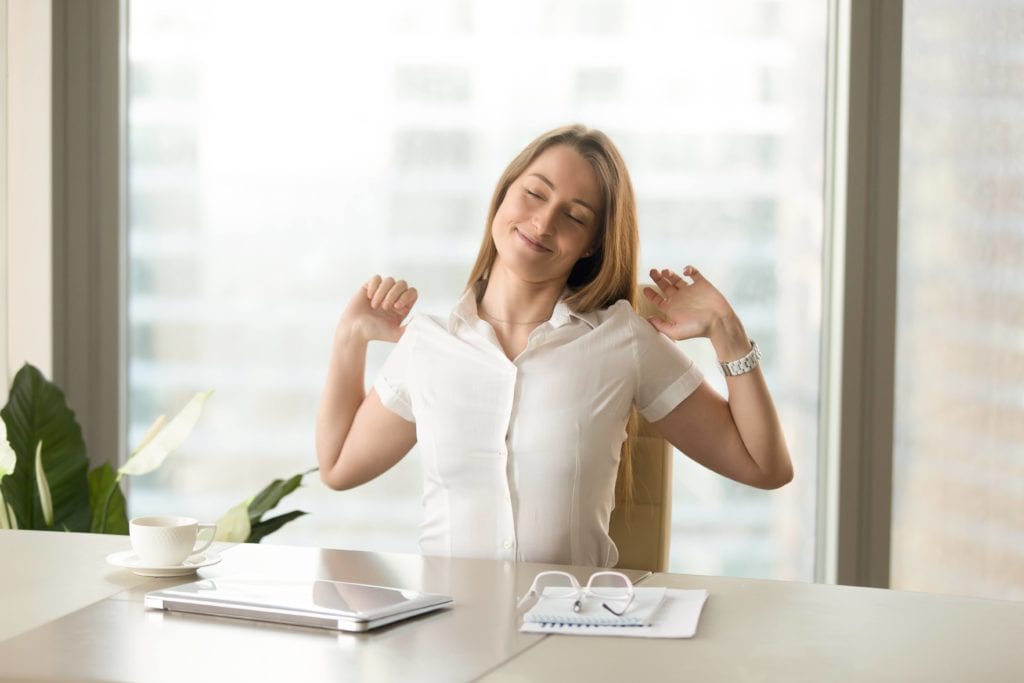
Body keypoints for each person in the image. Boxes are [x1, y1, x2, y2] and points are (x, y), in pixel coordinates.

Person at [316, 124, 792, 567]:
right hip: (446, 637)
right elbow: (338, 468)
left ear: (591, 244)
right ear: (503, 193)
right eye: (534, 193)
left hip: (571, 637)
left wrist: (727, 335)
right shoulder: (428, 345)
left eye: (574, 215)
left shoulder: (622, 340)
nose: (543, 222)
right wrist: (349, 339)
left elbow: (764, 467)